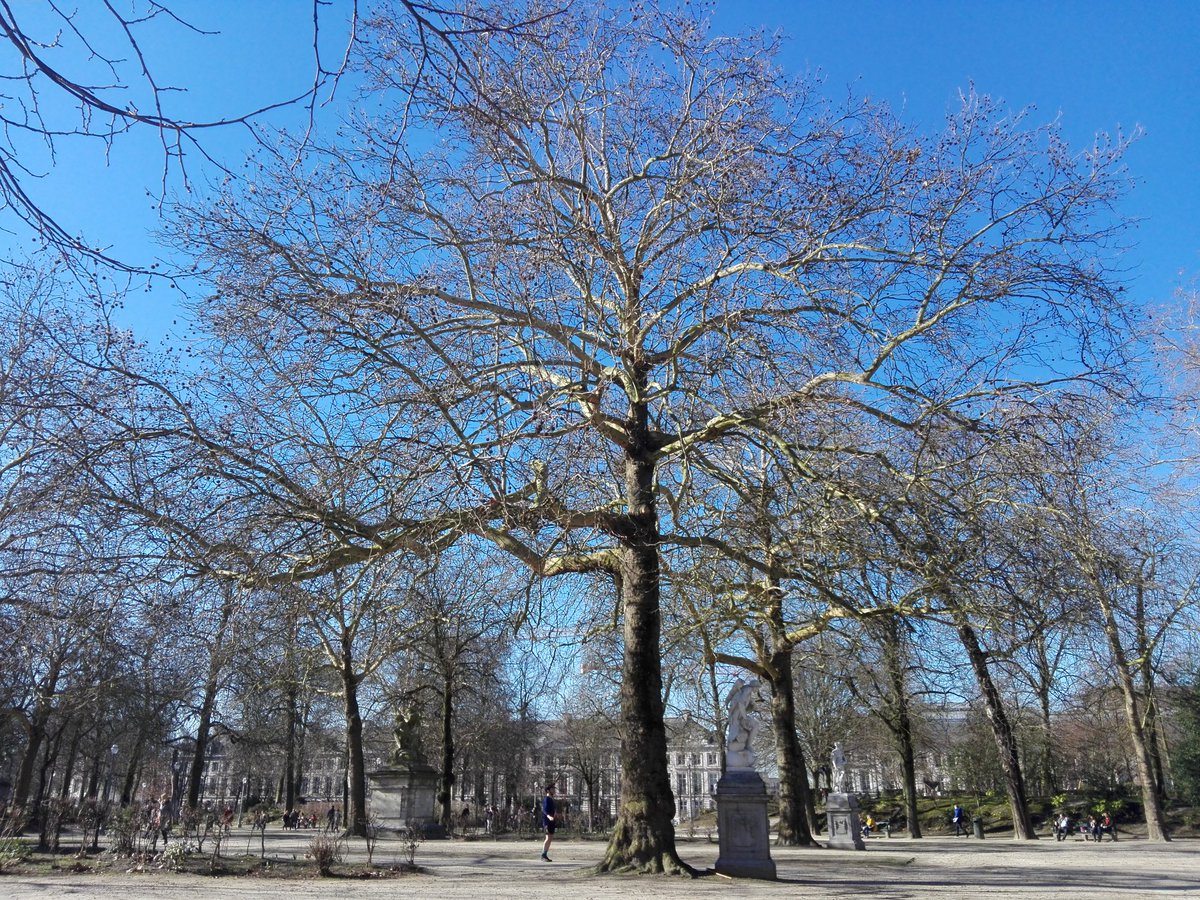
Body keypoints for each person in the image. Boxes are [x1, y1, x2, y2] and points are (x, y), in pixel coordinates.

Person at [540, 784, 557, 862]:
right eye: (552, 789)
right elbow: (544, 810)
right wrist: (549, 816)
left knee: (550, 838)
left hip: (552, 821)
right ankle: (543, 855)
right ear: (548, 790)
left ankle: (545, 854)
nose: (554, 790)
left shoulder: (551, 799)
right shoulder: (547, 799)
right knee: (548, 838)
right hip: (547, 821)